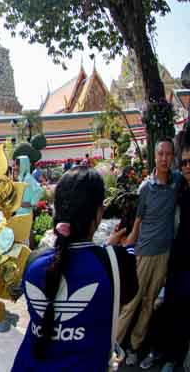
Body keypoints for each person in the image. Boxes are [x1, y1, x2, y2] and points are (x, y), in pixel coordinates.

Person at [11, 167, 138, 371]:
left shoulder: (33, 261)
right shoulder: (115, 263)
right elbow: (128, 294)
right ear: (98, 213)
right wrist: (115, 250)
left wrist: (107, 251)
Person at [118, 139, 181, 366]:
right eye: (161, 154)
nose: (164, 158)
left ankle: (135, 347)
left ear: (173, 157)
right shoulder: (146, 187)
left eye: (168, 154)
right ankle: (111, 348)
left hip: (164, 254)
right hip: (144, 253)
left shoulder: (177, 182)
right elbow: (138, 222)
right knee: (131, 303)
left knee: (149, 303)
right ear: (155, 157)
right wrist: (124, 247)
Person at [146, 132, 190, 372]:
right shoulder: (179, 187)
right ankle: (169, 355)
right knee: (173, 305)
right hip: (178, 257)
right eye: (183, 162)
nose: (187, 167)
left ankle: (178, 357)